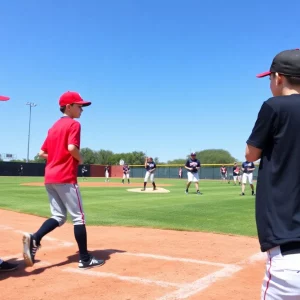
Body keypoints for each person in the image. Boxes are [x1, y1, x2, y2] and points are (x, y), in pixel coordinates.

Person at [22, 91, 104, 269]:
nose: (82, 109)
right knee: (79, 217)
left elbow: (42, 152)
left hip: (50, 177)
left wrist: (58, 154)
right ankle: (85, 259)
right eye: (79, 106)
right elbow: (72, 147)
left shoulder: (53, 127)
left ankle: (35, 238)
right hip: (66, 176)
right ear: (69, 107)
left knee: (58, 216)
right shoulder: (74, 124)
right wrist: (80, 158)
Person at [246, 49, 300, 299]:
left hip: (289, 248)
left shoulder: (274, 106)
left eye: (269, 78)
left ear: (278, 78)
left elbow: (251, 154)